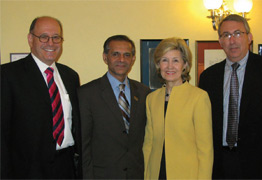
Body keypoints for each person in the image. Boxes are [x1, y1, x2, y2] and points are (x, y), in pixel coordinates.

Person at [199, 14, 262, 179]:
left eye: (237, 33)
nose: (232, 40)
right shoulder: (209, 77)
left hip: (261, 167)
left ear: (249, 37)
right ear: (220, 41)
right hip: (219, 166)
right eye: (226, 35)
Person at [1, 16, 81, 179]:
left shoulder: (71, 76)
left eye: (56, 37)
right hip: (26, 170)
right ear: (31, 39)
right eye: (43, 37)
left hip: (65, 167)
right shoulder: (8, 75)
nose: (51, 43)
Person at [78, 35, 151, 179]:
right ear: (105, 57)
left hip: (136, 175)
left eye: (127, 55)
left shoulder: (144, 93)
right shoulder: (87, 93)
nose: (122, 60)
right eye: (115, 54)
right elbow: (84, 146)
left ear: (133, 59)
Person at [143, 37, 214, 179]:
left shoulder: (199, 97)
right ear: (158, 65)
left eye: (175, 60)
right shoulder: (152, 99)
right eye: (164, 60)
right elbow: (148, 145)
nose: (170, 66)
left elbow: (205, 150)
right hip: (156, 174)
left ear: (185, 65)